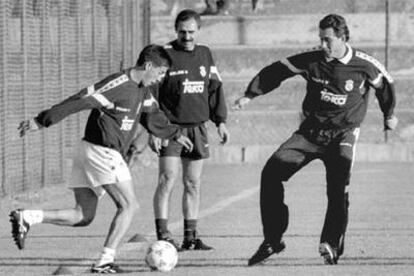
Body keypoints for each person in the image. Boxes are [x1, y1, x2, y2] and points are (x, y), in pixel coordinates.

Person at [9, 44, 194, 274]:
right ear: (148, 66)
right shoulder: (118, 84)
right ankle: (105, 262)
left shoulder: (143, 90)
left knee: (82, 215)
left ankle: (27, 217)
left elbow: (153, 117)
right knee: (129, 205)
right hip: (101, 151)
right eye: (159, 72)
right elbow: (81, 99)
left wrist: (175, 134)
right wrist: (43, 120)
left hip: (91, 151)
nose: (159, 79)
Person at [234, 14, 398, 266]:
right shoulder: (312, 60)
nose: (322, 45)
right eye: (320, 39)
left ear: (343, 38)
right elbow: (277, 70)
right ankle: (273, 240)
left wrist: (389, 115)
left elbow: (385, 85)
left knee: (337, 188)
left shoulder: (364, 64)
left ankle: (330, 243)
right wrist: (250, 94)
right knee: (271, 173)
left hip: (343, 134)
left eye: (327, 40)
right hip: (309, 134)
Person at [149, 9, 229, 251]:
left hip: (197, 128)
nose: (187, 37)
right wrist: (154, 130)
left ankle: (190, 238)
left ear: (199, 31)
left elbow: (215, 88)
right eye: (182, 32)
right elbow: (151, 94)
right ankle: (163, 236)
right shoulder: (165, 54)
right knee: (167, 179)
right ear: (176, 31)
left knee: (193, 183)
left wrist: (221, 121)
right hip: (170, 129)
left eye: (191, 32)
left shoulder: (205, 54)